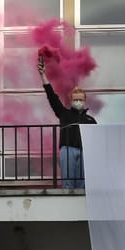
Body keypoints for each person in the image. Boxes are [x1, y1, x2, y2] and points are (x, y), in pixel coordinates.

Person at [38, 57, 97, 189]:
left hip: (85, 151)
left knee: (83, 185)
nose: (78, 102)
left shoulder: (91, 120)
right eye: (75, 99)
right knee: (68, 184)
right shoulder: (64, 113)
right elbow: (52, 97)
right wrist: (43, 76)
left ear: (84, 100)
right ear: (71, 100)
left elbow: (97, 140)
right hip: (68, 150)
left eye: (80, 99)